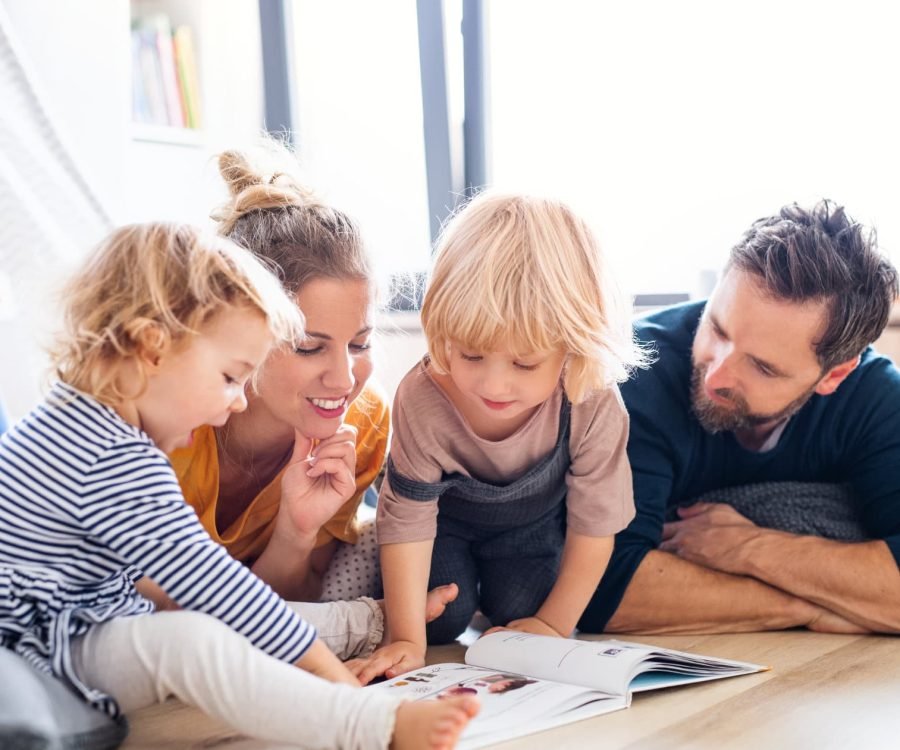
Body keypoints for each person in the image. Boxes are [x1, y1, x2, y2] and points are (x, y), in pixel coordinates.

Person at [0, 222, 478, 749]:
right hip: (38, 649)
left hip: (75, 626)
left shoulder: (74, 420)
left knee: (234, 621)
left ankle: (371, 624)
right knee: (192, 641)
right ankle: (370, 728)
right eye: (230, 378)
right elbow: (215, 589)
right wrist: (349, 692)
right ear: (152, 350)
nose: (239, 400)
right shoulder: (110, 455)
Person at [355, 192, 646, 684]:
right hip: (445, 527)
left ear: (573, 349)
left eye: (524, 364)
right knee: (441, 617)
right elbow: (406, 522)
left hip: (532, 531)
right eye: (470, 356)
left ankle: (505, 604)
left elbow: (595, 527)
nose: (493, 385)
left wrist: (553, 625)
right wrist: (405, 638)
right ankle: (461, 605)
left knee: (523, 608)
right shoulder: (423, 397)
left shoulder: (592, 400)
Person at [577, 199, 900, 636]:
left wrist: (752, 549)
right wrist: (806, 608)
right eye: (717, 329)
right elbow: (603, 590)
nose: (716, 375)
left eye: (763, 367)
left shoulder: (875, 397)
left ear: (834, 374)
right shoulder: (633, 373)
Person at [169, 144, 390, 603]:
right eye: (310, 347)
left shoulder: (362, 422)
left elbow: (292, 606)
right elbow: (150, 610)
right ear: (243, 334)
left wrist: (296, 530)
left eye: (360, 344)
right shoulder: (171, 421)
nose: (345, 380)